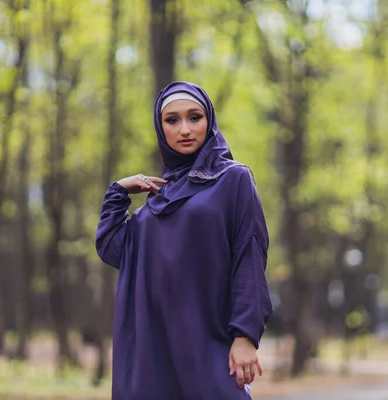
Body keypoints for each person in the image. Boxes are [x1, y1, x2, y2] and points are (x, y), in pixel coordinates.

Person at [95, 81, 273, 399]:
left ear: (210, 121)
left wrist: (246, 335)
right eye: (172, 120)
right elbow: (114, 248)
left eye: (195, 117)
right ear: (161, 128)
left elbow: (250, 257)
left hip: (211, 345)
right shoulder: (155, 204)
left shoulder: (233, 180)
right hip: (154, 352)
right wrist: (118, 192)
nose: (185, 129)